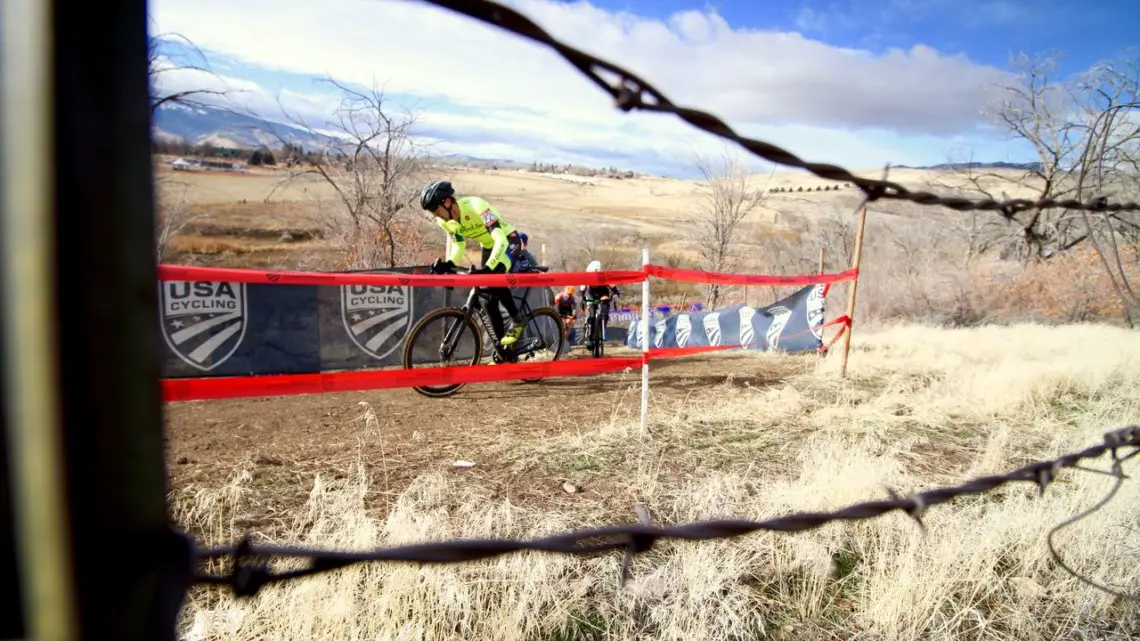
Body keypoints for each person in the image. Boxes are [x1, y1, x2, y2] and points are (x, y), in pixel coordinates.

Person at [420, 179, 525, 347]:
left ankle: (518, 320)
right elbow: (458, 244)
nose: (435, 215)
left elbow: (499, 239)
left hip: (508, 241)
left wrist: (489, 269)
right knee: (487, 302)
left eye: (435, 210)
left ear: (447, 202)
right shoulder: (444, 222)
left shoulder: (478, 206)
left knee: (495, 279)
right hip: (489, 246)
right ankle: (504, 352)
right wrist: (449, 264)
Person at [579, 260, 620, 350]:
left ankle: (601, 329)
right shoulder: (586, 277)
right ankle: (589, 337)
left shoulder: (605, 276)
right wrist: (582, 300)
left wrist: (616, 294)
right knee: (592, 315)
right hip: (591, 294)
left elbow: (615, 289)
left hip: (603, 293)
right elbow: (582, 292)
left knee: (604, 311)